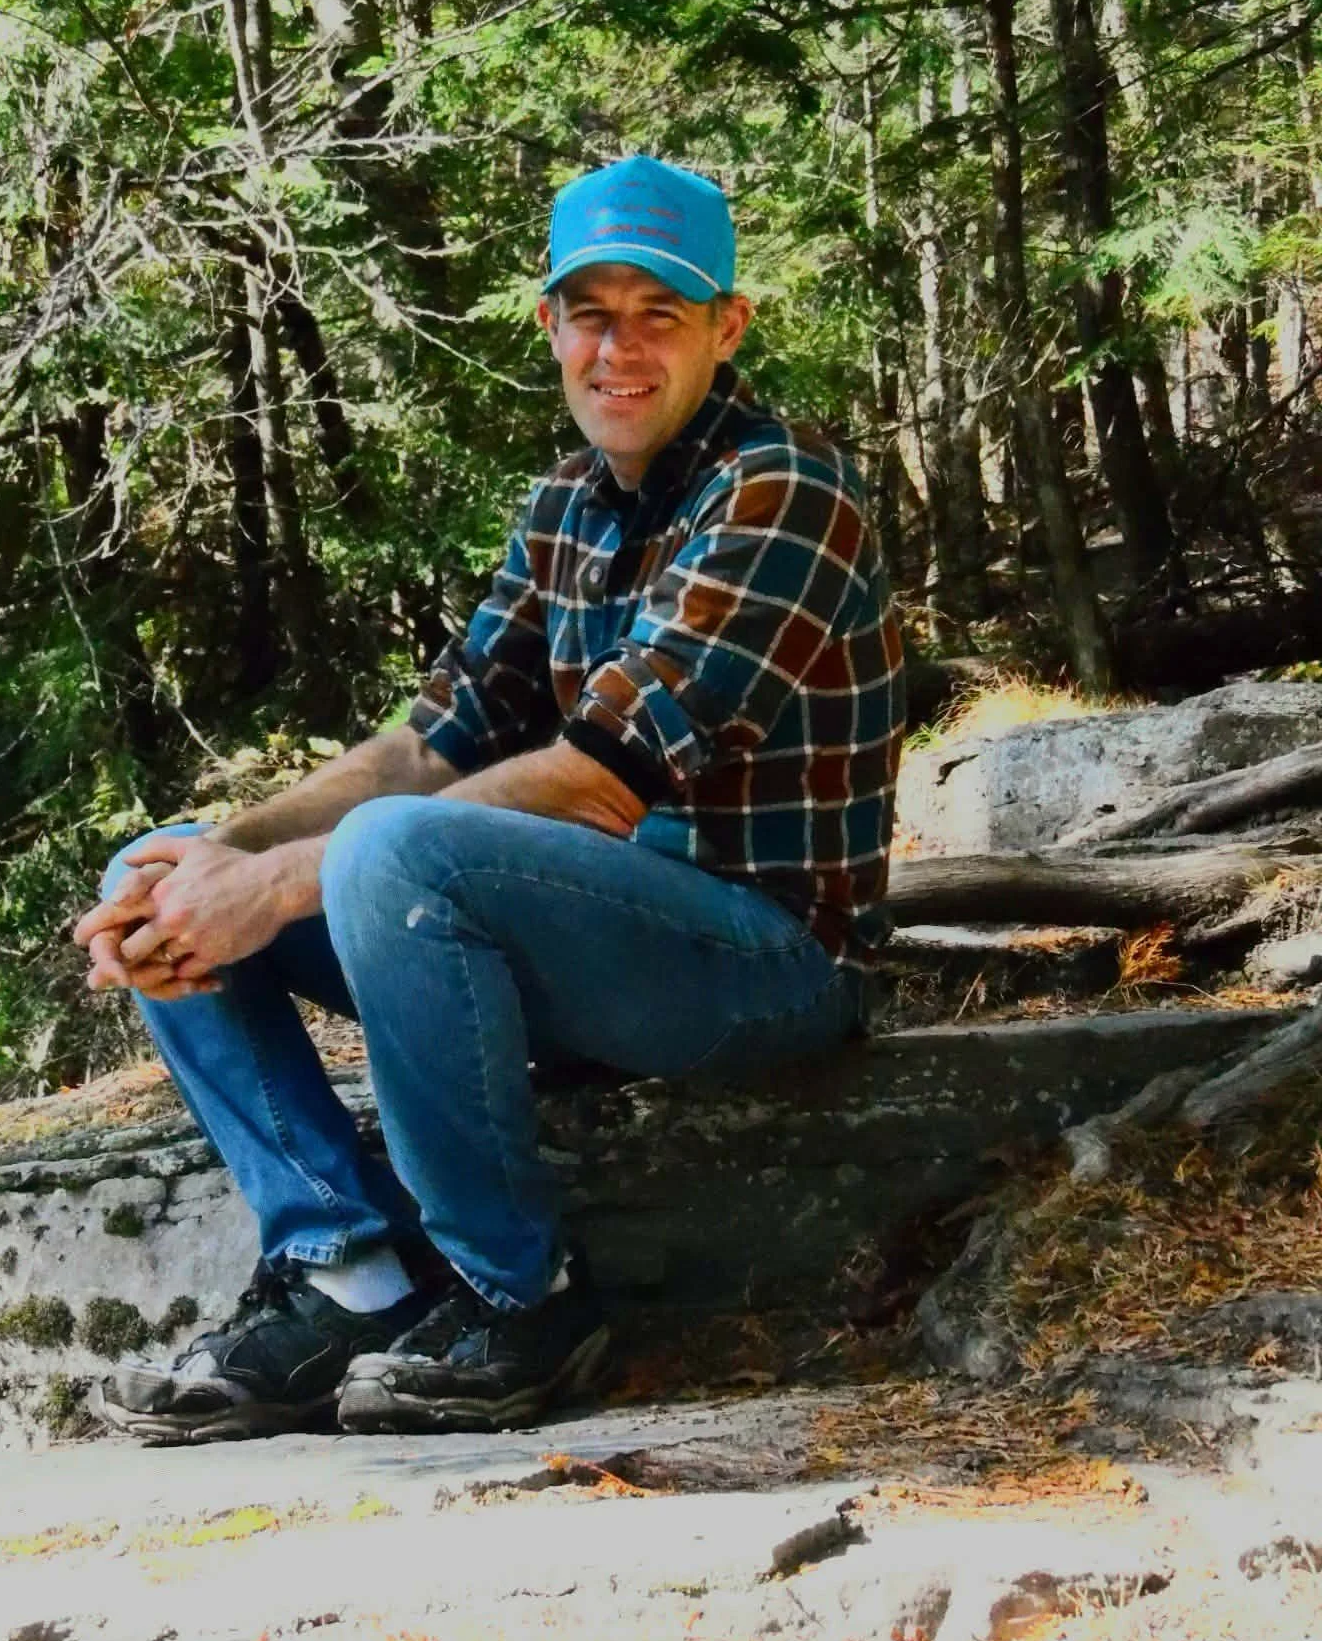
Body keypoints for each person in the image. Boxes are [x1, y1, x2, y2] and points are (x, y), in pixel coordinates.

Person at [74, 153, 905, 1441]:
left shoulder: (783, 488)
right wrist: (213, 860)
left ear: (727, 328)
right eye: (591, 312)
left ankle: (516, 1296)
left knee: (386, 855)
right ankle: (351, 1275)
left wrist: (280, 883)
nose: (618, 349)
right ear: (550, 326)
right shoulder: (568, 506)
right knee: (169, 851)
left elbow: (597, 782)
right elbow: (430, 748)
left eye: (660, 315)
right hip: (586, 950)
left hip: (769, 964)